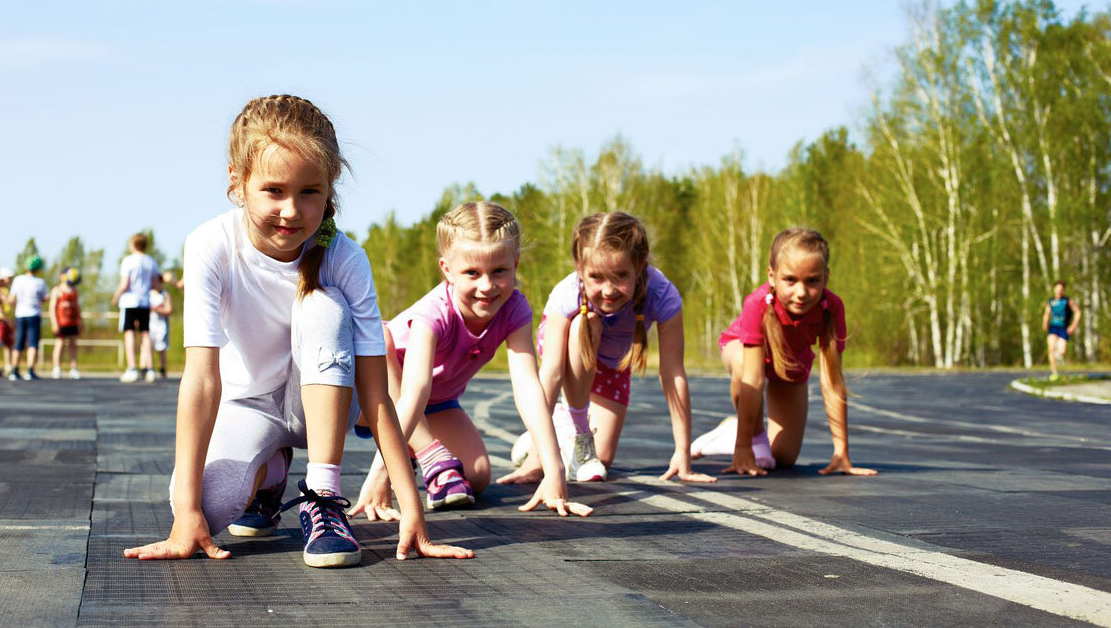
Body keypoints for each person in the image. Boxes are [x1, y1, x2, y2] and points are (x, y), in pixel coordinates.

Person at [124, 94, 471, 568]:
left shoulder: (345, 258)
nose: (291, 211)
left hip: (326, 408)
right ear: (237, 182)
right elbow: (202, 380)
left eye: (309, 191)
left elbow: (376, 392)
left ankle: (323, 498)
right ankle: (270, 474)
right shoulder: (210, 245)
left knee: (322, 307)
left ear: (330, 190)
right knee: (205, 508)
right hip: (250, 405)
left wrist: (411, 504)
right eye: (273, 190)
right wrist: (185, 513)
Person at [351, 201, 592, 521]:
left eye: (499, 272)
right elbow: (414, 392)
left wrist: (554, 468)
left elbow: (528, 387)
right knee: (380, 340)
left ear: (516, 263)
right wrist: (383, 472)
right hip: (373, 398)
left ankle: (417, 451)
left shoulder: (515, 309)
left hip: (435, 404)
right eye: (471, 273)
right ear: (447, 270)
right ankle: (423, 453)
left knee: (476, 476)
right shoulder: (434, 312)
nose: (486, 286)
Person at [514, 211, 716, 485]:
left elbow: (673, 374)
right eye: (597, 277)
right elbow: (551, 373)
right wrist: (538, 457)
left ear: (640, 265)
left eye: (620, 276)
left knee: (603, 459)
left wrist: (683, 452)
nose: (608, 290)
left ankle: (563, 430)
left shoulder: (662, 294)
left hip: (611, 366)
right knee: (587, 323)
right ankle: (571, 434)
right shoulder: (566, 293)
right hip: (566, 353)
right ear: (579, 268)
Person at [690, 228, 877, 478]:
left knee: (783, 457)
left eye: (812, 281)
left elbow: (832, 382)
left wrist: (841, 451)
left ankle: (733, 429)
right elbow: (753, 380)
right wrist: (743, 448)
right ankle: (746, 436)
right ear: (772, 276)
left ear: (826, 278)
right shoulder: (756, 303)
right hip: (744, 353)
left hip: (790, 363)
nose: (801, 293)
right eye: (790, 280)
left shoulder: (831, 308)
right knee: (744, 366)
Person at [111, 233, 160, 383]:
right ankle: (150, 369)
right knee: (145, 334)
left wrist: (115, 297)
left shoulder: (128, 261)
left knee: (130, 333)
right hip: (145, 301)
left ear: (133, 244)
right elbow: (156, 284)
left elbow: (125, 283)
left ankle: (132, 368)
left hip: (130, 302)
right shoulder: (151, 261)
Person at [7, 256, 48, 381]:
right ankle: (30, 370)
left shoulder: (18, 280)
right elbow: (44, 298)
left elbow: (12, 299)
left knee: (18, 342)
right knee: (33, 343)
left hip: (20, 314)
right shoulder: (40, 282)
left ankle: (15, 370)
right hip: (34, 314)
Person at [50, 267, 83, 379]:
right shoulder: (57, 290)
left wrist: (80, 321)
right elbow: (52, 308)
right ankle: (57, 367)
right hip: (61, 322)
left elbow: (78, 308)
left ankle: (74, 368)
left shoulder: (74, 291)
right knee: (60, 344)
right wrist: (54, 323)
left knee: (73, 344)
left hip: (72, 321)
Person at [1043, 281, 1082, 378]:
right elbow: (1047, 313)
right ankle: (1054, 373)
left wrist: (1073, 326)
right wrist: (1045, 323)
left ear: (1063, 290)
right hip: (1053, 327)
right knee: (1051, 348)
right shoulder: (1051, 301)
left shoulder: (1067, 301)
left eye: (1061, 289)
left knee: (1061, 351)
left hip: (1064, 328)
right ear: (1054, 289)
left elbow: (1078, 312)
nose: (1059, 291)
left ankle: (1058, 357)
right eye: (1057, 289)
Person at [149, 271, 175, 380]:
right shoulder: (147, 294)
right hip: (149, 324)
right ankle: (147, 368)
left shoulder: (164, 294)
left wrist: (157, 309)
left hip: (161, 325)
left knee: (161, 348)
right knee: (147, 346)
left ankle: (162, 368)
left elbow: (169, 309)